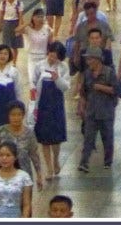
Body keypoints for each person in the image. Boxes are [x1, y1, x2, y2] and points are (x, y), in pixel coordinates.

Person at [77, 46, 120, 172]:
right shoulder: (87, 74)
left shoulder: (109, 72)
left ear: (97, 59)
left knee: (107, 138)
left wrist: (101, 87)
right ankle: (84, 162)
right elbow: (83, 93)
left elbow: (116, 90)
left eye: (90, 59)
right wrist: (81, 107)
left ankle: (108, 161)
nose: (88, 62)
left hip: (106, 112)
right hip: (91, 112)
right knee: (88, 138)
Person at [31, 42, 70, 181]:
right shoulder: (39, 65)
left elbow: (66, 87)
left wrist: (57, 78)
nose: (52, 58)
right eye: (51, 55)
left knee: (56, 137)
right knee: (44, 139)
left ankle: (56, 160)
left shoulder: (63, 67)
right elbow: (34, 81)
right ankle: (48, 167)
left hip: (57, 105)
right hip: (43, 105)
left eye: (56, 57)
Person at [0, 101, 44, 190]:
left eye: (19, 115)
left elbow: (34, 155)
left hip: (24, 176)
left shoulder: (29, 133)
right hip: (4, 175)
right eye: (13, 115)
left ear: (23, 115)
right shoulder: (1, 131)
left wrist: (39, 175)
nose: (16, 118)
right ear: (8, 116)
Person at [0, 142, 33, 218]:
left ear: (15, 157)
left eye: (8, 155)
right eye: (1, 155)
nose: (4, 158)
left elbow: (26, 205)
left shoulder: (24, 177)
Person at [18, 8, 53, 94]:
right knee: (33, 83)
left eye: (42, 17)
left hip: (43, 58)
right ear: (33, 17)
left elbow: (51, 43)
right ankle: (33, 104)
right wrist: (26, 24)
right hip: (32, 58)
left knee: (43, 81)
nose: (40, 19)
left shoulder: (47, 29)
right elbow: (17, 30)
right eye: (38, 17)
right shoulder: (28, 29)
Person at [0, 0, 25, 64]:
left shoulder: (19, 4)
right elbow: (1, 16)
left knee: (15, 46)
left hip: (15, 24)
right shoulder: (3, 4)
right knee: (6, 45)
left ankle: (14, 63)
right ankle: (6, 61)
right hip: (6, 25)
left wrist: (20, 28)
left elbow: (20, 16)